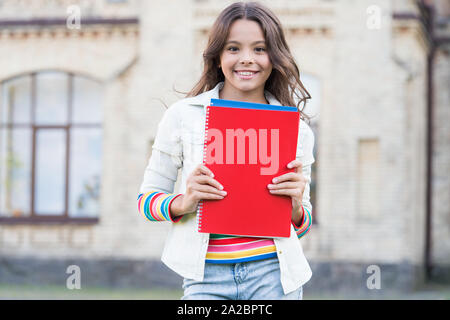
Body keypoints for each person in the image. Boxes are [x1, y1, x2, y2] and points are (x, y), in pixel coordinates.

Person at [137, 1, 315, 300]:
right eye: (233, 48)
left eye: (259, 49)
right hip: (205, 278)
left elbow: (302, 223)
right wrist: (184, 201)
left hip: (274, 277)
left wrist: (296, 205)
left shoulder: (297, 130)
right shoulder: (183, 116)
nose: (247, 59)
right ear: (217, 56)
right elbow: (146, 201)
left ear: (274, 57)